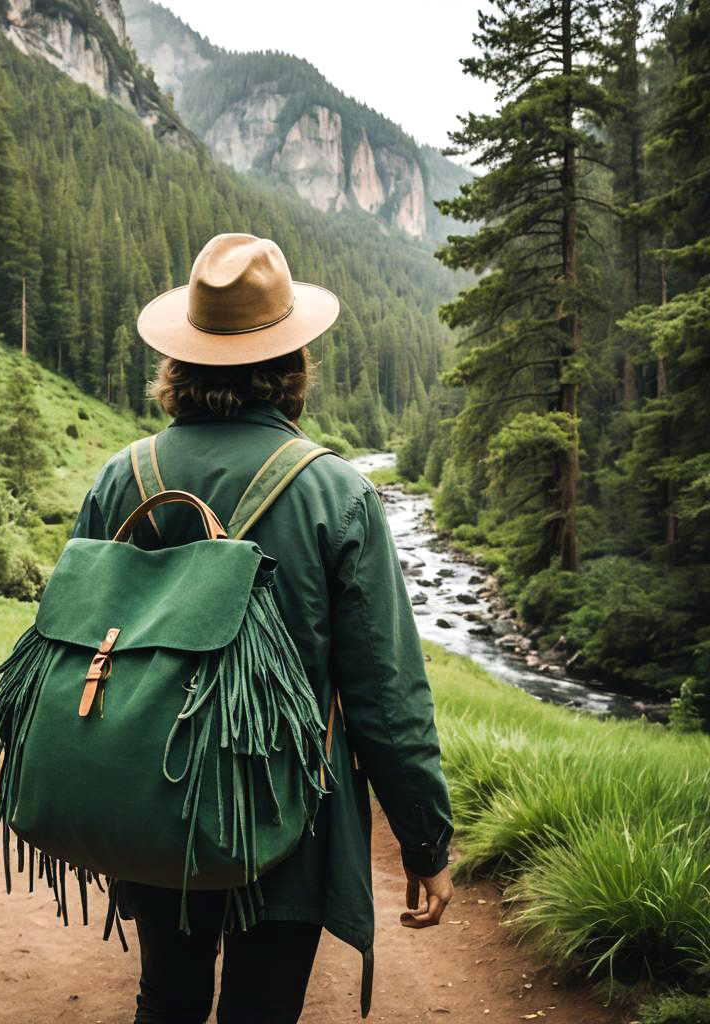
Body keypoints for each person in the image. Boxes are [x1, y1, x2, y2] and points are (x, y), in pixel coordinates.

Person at [70, 233, 455, 1023]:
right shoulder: (335, 493)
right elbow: (386, 694)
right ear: (292, 366)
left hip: (154, 801)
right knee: (263, 1010)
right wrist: (424, 842)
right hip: (291, 815)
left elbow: (78, 641)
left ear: (180, 363)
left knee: (167, 998)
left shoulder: (123, 476)